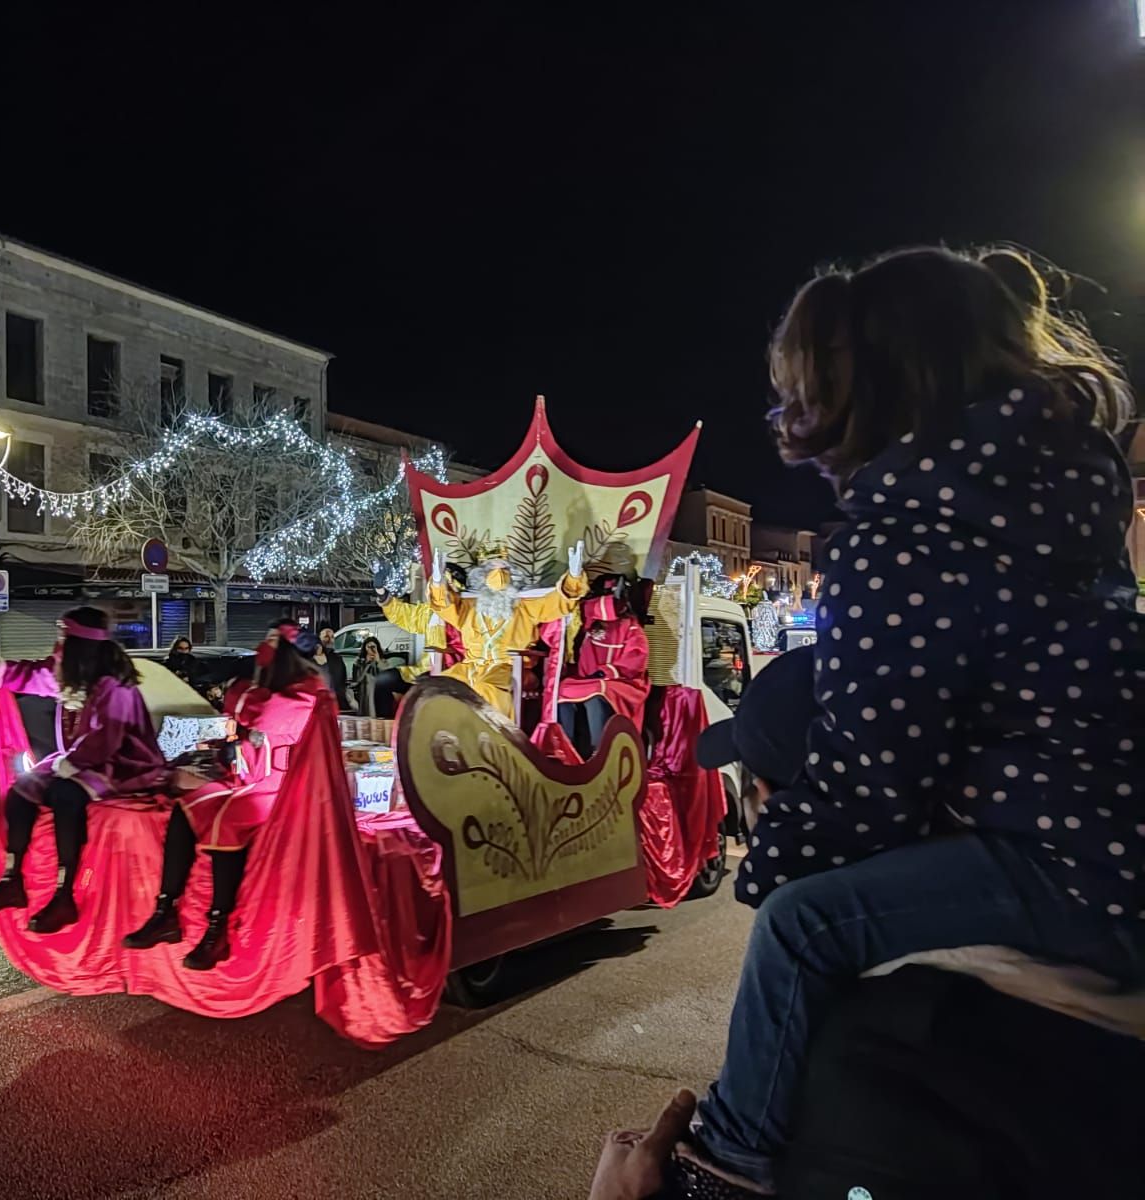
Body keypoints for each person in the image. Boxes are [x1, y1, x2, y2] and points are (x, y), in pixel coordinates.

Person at [605, 246, 1145, 1197]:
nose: (796, 419)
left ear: (879, 384)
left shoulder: (903, 535)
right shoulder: (1056, 488)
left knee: (799, 927)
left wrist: (772, 856)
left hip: (1067, 857)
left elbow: (873, 774)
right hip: (1109, 829)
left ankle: (725, 1162)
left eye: (809, 387)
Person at [124, 620, 330, 970]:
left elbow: (262, 717)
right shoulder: (265, 685)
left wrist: (239, 688)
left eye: (271, 642)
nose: (263, 649)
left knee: (228, 823)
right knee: (186, 806)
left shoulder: (306, 691)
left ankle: (218, 928)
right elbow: (236, 721)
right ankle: (166, 910)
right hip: (245, 777)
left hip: (281, 787)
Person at [0, 607, 168, 934]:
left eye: (63, 635)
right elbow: (33, 676)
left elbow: (107, 738)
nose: (57, 642)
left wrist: (71, 766)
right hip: (83, 758)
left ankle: (66, 895)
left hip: (124, 763)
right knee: (22, 790)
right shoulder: (74, 675)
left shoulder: (114, 685)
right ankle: (12, 878)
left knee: (66, 795)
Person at [426, 540, 587, 718]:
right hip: (470, 667)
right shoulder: (469, 606)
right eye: (492, 569)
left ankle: (496, 739)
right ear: (482, 575)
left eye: (503, 569)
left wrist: (574, 576)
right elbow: (443, 606)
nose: (498, 575)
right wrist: (438, 582)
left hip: (510, 668)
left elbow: (558, 603)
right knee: (438, 687)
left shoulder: (525, 606)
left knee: (486, 686)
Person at [556, 577, 651, 755]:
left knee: (597, 694)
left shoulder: (631, 627)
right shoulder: (590, 624)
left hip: (621, 681)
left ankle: (598, 752)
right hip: (587, 679)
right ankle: (565, 747)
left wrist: (606, 671)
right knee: (562, 689)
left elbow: (636, 657)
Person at [349, 636, 397, 717]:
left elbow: (387, 674)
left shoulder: (383, 661)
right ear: (365, 648)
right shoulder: (359, 662)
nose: (371, 649)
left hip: (379, 694)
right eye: (368, 647)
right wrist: (366, 663)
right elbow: (357, 679)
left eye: (373, 647)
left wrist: (378, 661)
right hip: (365, 694)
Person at [314, 627, 350, 708]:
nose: (330, 640)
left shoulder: (337, 658)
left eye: (332, 637)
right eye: (326, 636)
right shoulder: (312, 657)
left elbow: (343, 679)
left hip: (337, 702)